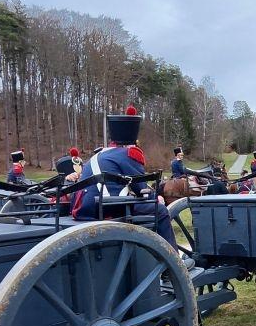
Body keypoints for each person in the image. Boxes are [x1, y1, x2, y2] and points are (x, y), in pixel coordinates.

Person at [66, 105, 181, 253]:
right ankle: (173, 257)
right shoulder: (129, 154)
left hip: (83, 207)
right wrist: (156, 198)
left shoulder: (99, 154)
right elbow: (141, 189)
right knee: (160, 210)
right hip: (104, 207)